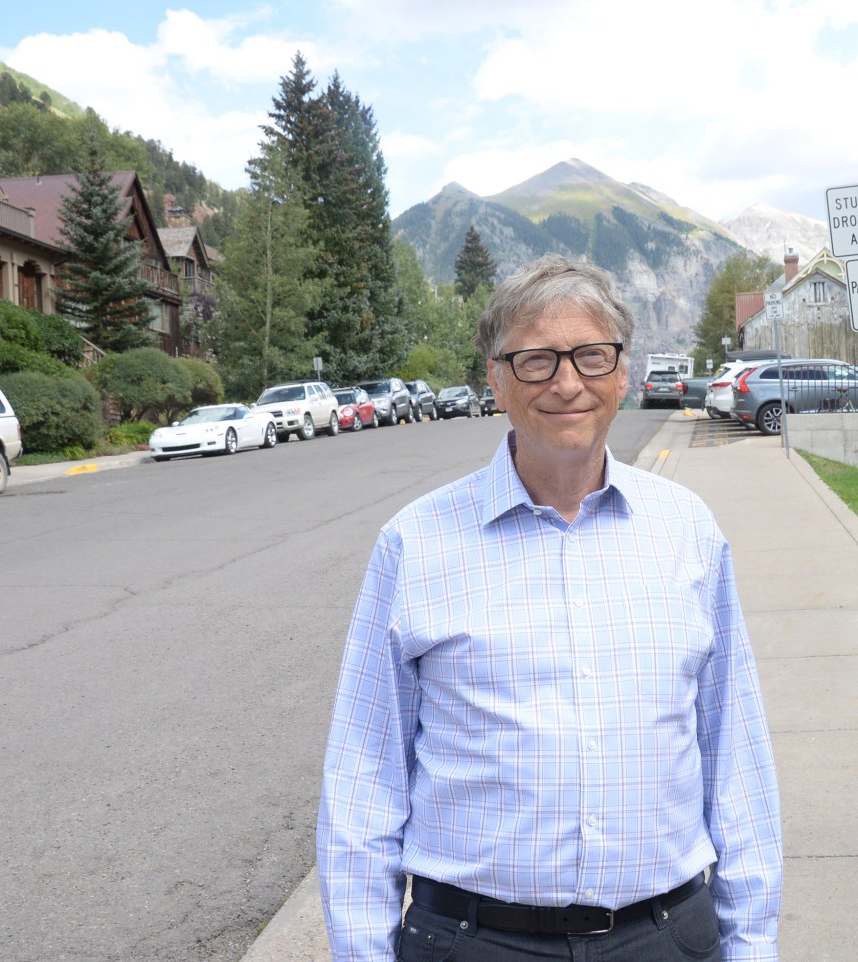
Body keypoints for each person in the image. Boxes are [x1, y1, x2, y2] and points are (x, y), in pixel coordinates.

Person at [317, 254, 782, 962]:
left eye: (591, 356)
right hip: (473, 945)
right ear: (496, 380)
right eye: (536, 360)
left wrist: (752, 945)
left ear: (622, 374)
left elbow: (735, 761)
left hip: (664, 940)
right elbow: (363, 781)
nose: (568, 383)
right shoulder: (414, 544)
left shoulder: (688, 532)